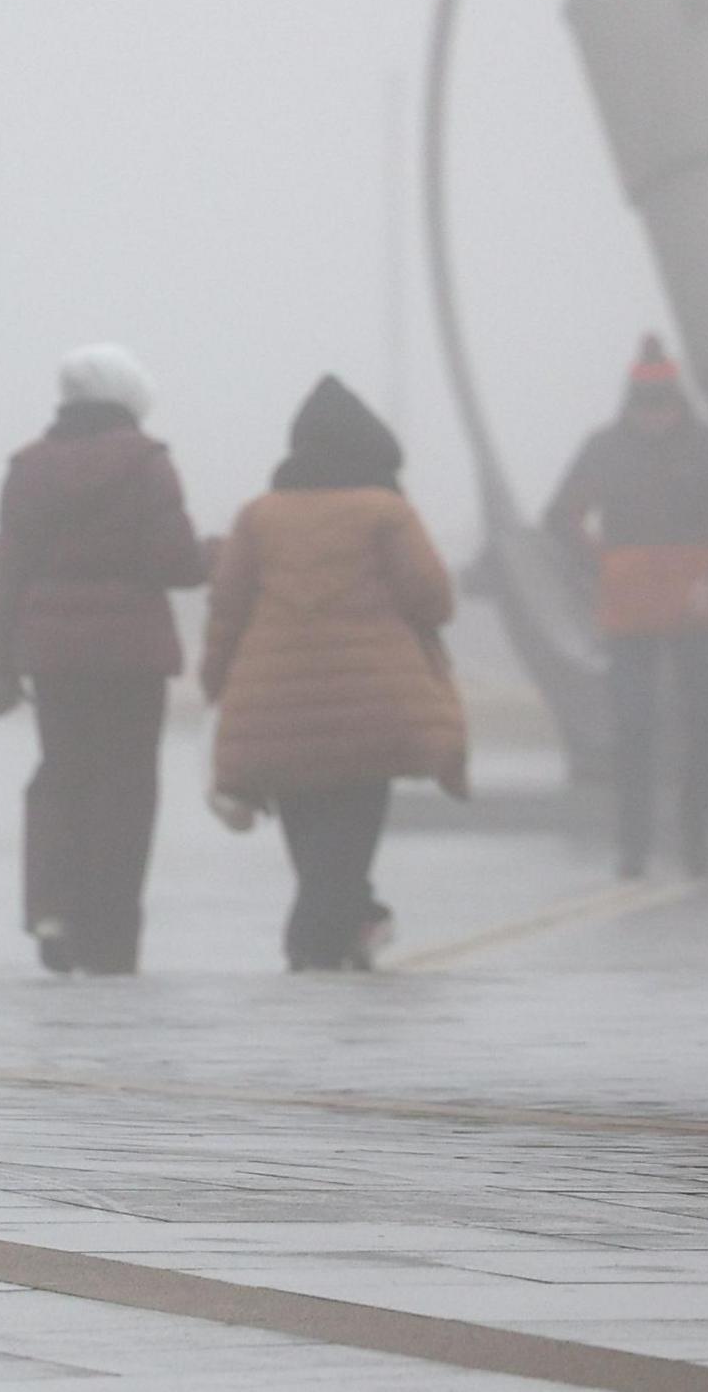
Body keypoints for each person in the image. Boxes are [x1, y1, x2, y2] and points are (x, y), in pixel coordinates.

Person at [202, 376, 466, 971]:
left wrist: (216, 682)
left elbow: (228, 609)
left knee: (312, 837)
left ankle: (349, 924)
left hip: (277, 704)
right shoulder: (385, 512)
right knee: (348, 833)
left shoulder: (258, 516)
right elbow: (433, 601)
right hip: (373, 703)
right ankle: (315, 947)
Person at [0, 345, 209, 976]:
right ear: (131, 401)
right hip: (132, 657)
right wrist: (222, 553)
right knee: (126, 792)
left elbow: (7, 576)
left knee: (62, 775)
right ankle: (110, 941)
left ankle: (52, 907)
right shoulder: (148, 464)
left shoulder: (29, 468)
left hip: (53, 655)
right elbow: (176, 563)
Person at [542, 336, 708, 878]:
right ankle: (632, 843)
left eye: (663, 403)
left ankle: (694, 832)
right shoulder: (603, 449)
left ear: (678, 400)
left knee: (707, 726)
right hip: (628, 612)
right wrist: (604, 569)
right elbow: (561, 518)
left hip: (695, 607)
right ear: (630, 401)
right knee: (633, 726)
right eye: (644, 403)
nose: (654, 415)